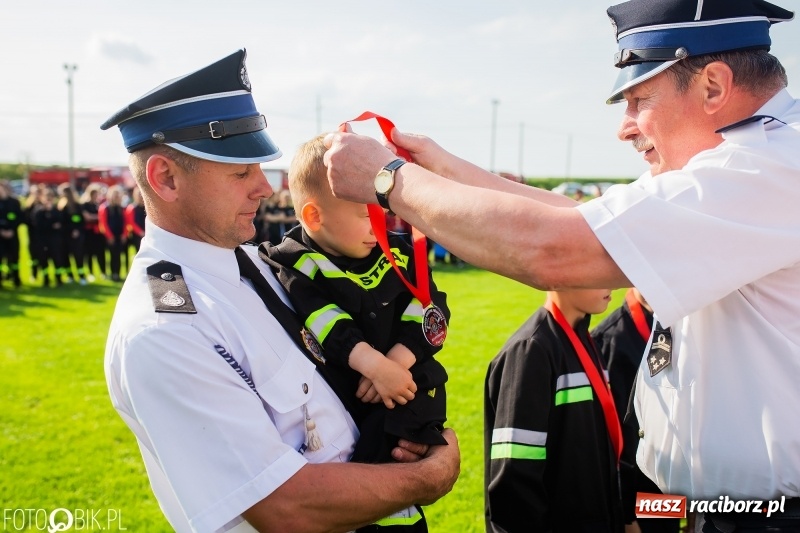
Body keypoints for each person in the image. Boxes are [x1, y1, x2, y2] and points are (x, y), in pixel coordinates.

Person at [323, 0, 800, 530]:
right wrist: (443, 168)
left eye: (639, 99)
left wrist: (388, 180)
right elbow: (583, 218)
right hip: (710, 509)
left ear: (712, 85)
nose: (625, 127)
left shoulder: (765, 163)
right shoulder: (751, 157)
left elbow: (557, 248)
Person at [101, 49, 459, 533]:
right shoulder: (164, 330)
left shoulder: (256, 262)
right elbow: (282, 507)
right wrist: (424, 477)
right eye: (240, 171)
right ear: (165, 178)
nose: (265, 189)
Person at [259, 134, 450, 468]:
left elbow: (431, 305)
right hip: (349, 403)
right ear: (315, 217)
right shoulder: (297, 261)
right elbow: (323, 318)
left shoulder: (399, 252)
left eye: (383, 215)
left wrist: (394, 365)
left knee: (398, 469)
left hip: (409, 389)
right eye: (367, 217)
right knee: (367, 478)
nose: (379, 228)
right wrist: (374, 367)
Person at [485, 288, 621, 532]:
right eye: (596, 271)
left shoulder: (582, 339)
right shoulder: (531, 351)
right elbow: (515, 483)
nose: (611, 283)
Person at [592, 289, 680, 533]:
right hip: (636, 492)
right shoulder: (610, 341)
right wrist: (629, 517)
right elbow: (615, 441)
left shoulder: (676, 323)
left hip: (670, 480)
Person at [56, 183, 87, 285]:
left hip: (76, 237)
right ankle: (70, 276)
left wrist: (76, 229)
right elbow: (61, 222)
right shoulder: (61, 207)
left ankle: (81, 276)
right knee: (66, 256)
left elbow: (80, 220)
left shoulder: (77, 206)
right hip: (64, 236)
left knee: (78, 256)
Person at [98, 184, 127, 281]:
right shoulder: (105, 207)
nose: (116, 197)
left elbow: (125, 222)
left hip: (119, 234)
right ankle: (111, 273)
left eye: (118, 195)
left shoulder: (121, 208)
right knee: (111, 255)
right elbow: (103, 223)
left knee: (118, 256)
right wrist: (109, 236)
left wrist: (124, 234)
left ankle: (117, 273)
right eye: (115, 195)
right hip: (109, 236)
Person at [80, 183, 106, 282]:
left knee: (101, 253)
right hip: (89, 233)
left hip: (98, 233)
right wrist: (99, 217)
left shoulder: (98, 205)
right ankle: (90, 273)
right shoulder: (84, 205)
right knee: (89, 254)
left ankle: (103, 272)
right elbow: (87, 217)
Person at [0, 180, 23, 288]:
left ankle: (16, 278)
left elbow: (20, 218)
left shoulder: (14, 203)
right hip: (0, 236)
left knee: (14, 257)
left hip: (13, 235)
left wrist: (11, 230)